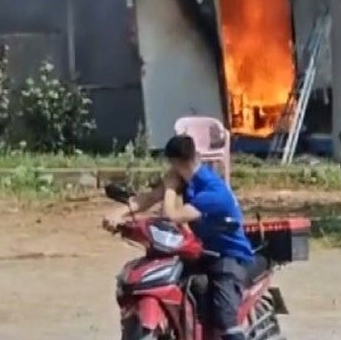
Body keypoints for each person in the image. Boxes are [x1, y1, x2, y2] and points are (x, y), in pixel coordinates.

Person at [103, 134, 254, 340]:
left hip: (228, 257)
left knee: (224, 319)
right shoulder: (186, 178)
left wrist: (171, 188)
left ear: (175, 162)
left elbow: (170, 215)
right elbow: (149, 198)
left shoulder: (214, 192)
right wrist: (119, 213)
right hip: (199, 251)